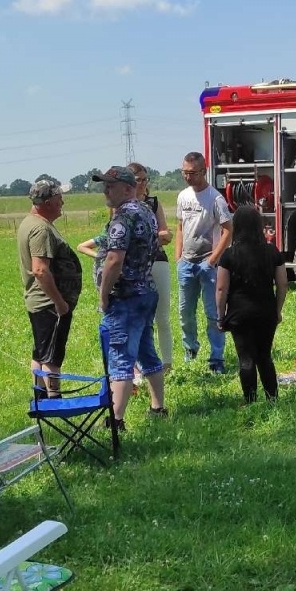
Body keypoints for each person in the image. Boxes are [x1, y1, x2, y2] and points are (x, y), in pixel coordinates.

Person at [94, 165, 168, 427]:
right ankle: (158, 407)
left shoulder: (124, 217)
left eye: (110, 186)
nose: (105, 190)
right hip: (146, 290)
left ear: (128, 188)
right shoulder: (146, 212)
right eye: (104, 185)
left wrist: (104, 295)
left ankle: (116, 420)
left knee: (121, 357)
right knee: (146, 351)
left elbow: (114, 260)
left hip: (126, 296)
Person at [17, 178, 83, 398]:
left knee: (41, 352)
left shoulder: (31, 223)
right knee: (52, 358)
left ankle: (40, 398)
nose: (62, 202)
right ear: (47, 202)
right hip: (49, 304)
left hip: (41, 302)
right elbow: (40, 271)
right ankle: (54, 402)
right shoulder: (40, 229)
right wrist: (60, 303)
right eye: (58, 198)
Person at [215, 204, 288, 403]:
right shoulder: (272, 251)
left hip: (239, 314)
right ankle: (272, 399)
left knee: (246, 359)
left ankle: (250, 401)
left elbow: (221, 289)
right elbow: (282, 284)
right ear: (259, 226)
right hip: (266, 312)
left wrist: (221, 316)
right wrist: (277, 310)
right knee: (264, 356)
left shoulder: (229, 255)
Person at [174, 151, 233, 372]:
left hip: (208, 264)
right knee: (184, 312)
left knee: (213, 312)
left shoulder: (215, 198)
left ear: (203, 171)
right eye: (184, 173)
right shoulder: (182, 196)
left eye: (192, 173)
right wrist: (178, 257)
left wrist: (213, 259)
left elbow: (228, 230)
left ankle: (216, 358)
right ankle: (190, 350)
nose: (188, 177)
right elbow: (179, 226)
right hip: (186, 263)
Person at [130, 163, 175, 366]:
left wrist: (148, 238)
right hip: (135, 266)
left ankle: (167, 363)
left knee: (162, 316)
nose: (142, 184)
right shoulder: (121, 206)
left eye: (145, 179)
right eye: (138, 180)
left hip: (158, 261)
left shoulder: (153, 203)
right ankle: (141, 364)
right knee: (139, 316)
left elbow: (166, 235)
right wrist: (155, 236)